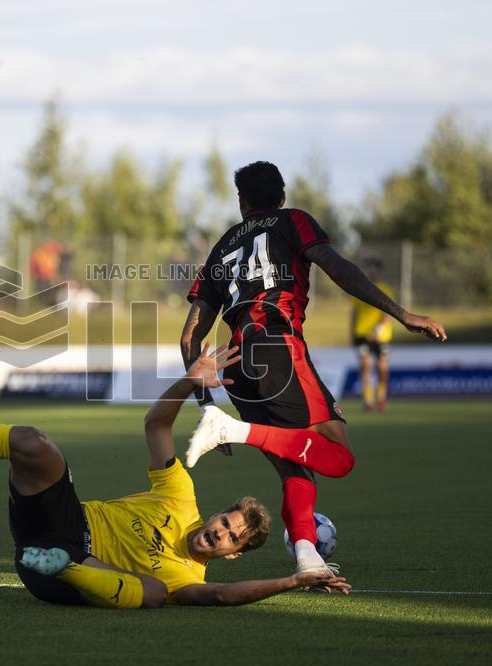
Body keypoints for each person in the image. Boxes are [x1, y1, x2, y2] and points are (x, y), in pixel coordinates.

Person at [0, 343, 351, 608]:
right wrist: (189, 381)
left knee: (158, 595)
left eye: (230, 537)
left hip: (64, 577)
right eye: (225, 520)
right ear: (218, 513)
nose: (218, 531)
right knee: (31, 440)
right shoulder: (180, 496)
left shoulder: (192, 578)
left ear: (233, 553)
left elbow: (221, 596)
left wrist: (292, 580)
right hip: (60, 522)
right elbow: (156, 424)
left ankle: (62, 564)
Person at [181, 161, 446, 579]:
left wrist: (202, 402)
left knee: (293, 465)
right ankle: (231, 429)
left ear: (241, 202)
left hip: (237, 366)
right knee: (339, 456)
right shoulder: (294, 221)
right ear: (282, 196)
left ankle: (307, 555)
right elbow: (336, 267)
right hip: (278, 348)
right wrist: (401, 314)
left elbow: (189, 339)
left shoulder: (222, 246)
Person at [350, 257, 394, 411]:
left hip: (381, 336)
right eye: (369, 268)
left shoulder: (385, 289)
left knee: (382, 367)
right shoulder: (357, 288)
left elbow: (389, 312)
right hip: (362, 333)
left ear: (380, 271)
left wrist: (378, 329)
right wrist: (352, 333)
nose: (372, 271)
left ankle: (381, 397)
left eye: (375, 268)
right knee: (365, 365)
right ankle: (368, 400)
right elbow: (354, 312)